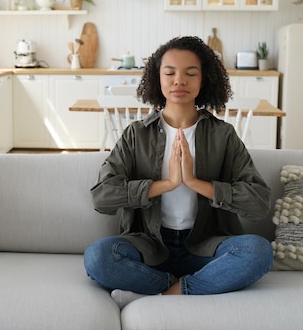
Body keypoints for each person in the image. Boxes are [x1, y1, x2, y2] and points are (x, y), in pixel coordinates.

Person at [83, 35, 273, 308]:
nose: (179, 81)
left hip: (207, 247)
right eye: (169, 73)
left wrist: (196, 182)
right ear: (157, 79)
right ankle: (192, 287)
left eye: (190, 73)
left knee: (259, 252)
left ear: (203, 79)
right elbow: (102, 197)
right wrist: (168, 183)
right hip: (149, 247)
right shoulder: (136, 134)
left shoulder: (223, 135)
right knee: (98, 257)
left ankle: (165, 293)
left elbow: (259, 202)